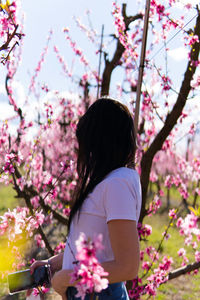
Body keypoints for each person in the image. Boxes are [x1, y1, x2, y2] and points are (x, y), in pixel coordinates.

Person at [30, 97, 142, 300]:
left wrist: (67, 277)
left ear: (100, 142)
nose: (83, 153)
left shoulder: (118, 183)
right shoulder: (110, 181)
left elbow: (127, 266)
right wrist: (52, 265)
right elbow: (97, 252)